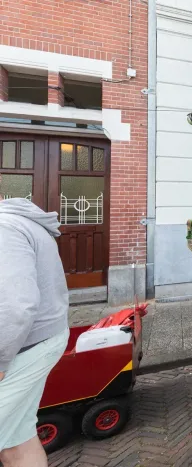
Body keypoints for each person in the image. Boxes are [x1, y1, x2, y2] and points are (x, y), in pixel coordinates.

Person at [0, 185, 70, 467]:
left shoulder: (4, 227)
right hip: (39, 339)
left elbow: (15, 306)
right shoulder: (20, 222)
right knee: (15, 440)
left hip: (24, 346)